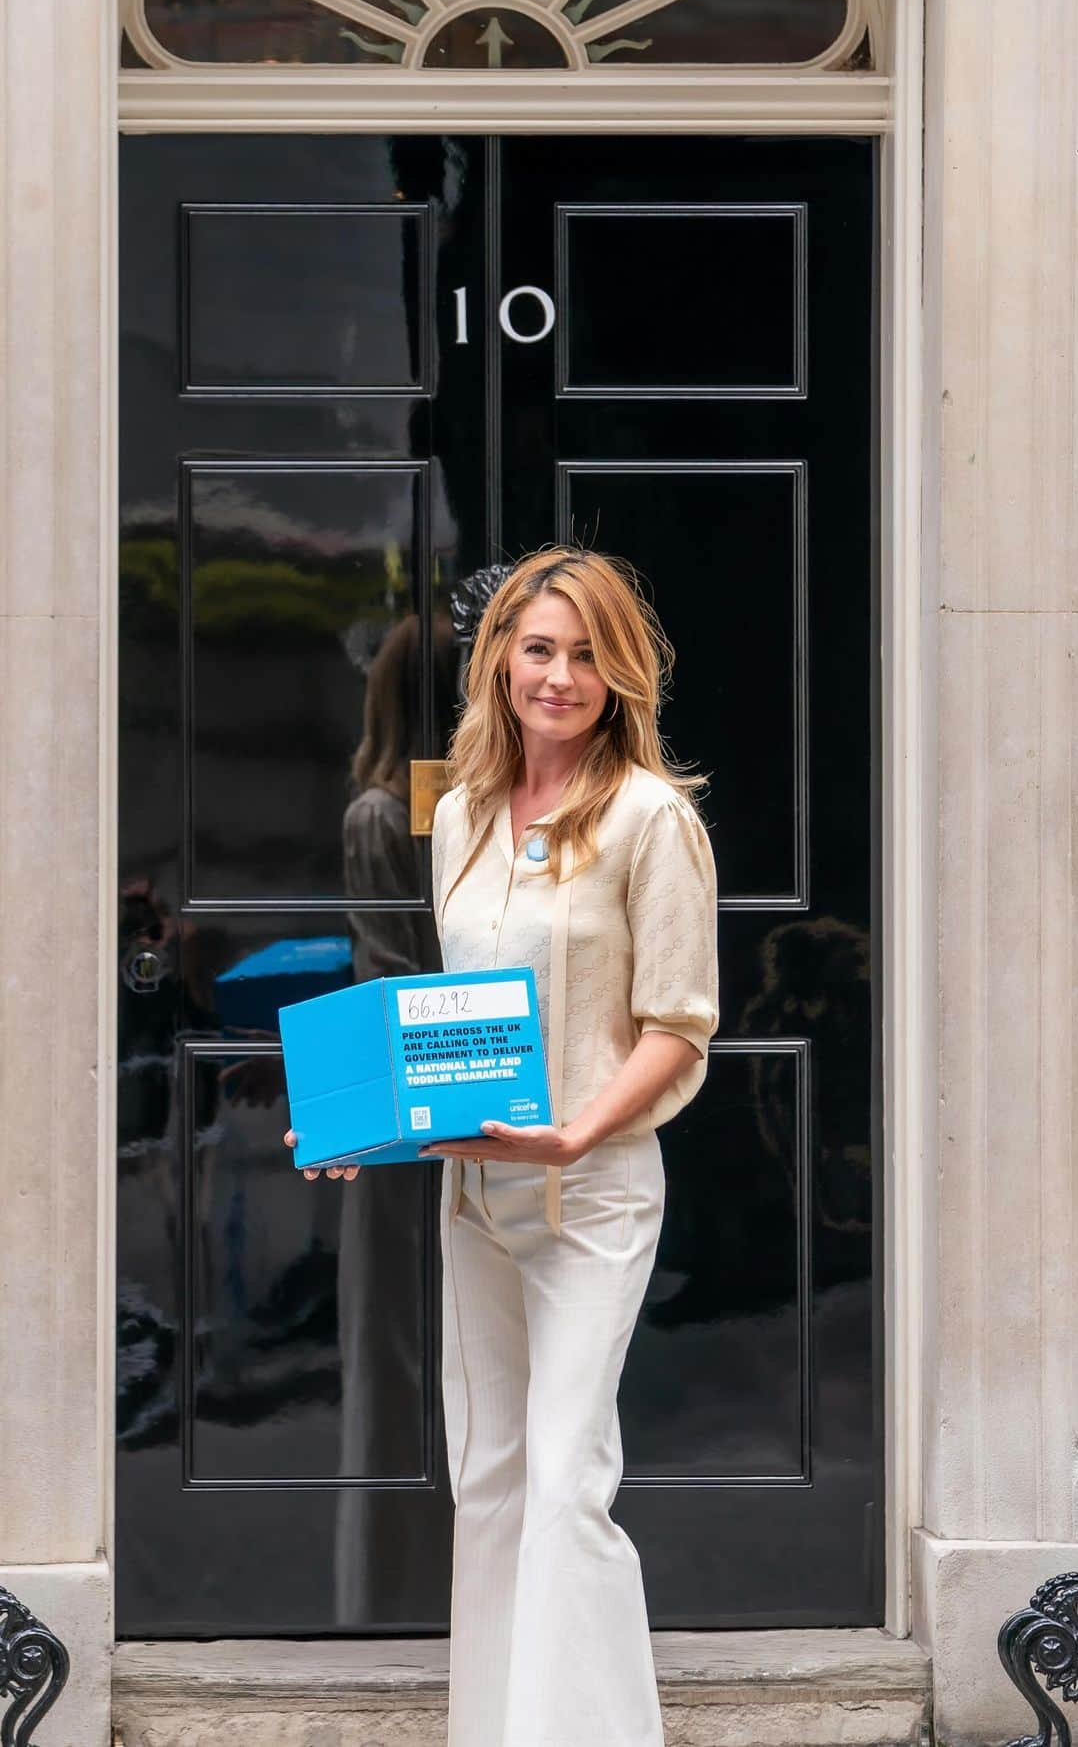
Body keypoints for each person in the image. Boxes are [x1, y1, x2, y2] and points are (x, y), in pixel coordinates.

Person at [287, 546, 719, 1746]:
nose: (561, 676)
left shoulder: (653, 819)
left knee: (568, 1491)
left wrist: (574, 1132)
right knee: (488, 1486)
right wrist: (355, 1128)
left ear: (621, 670)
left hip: (593, 1198)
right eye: (540, 649)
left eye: (587, 653)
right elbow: (448, 1029)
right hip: (474, 1203)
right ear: (501, 664)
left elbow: (680, 1025)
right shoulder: (462, 815)